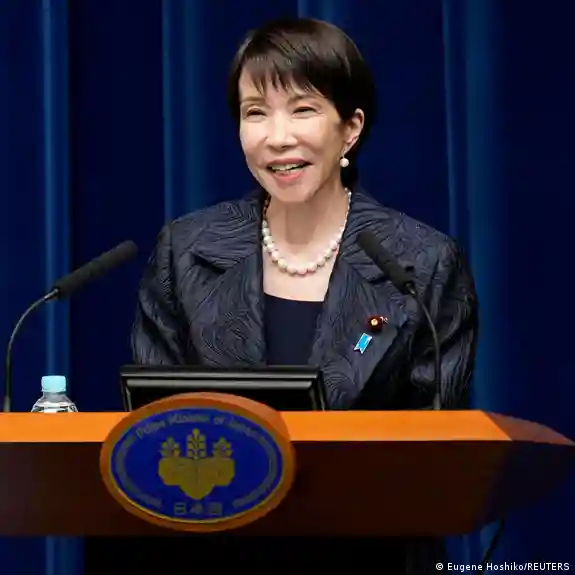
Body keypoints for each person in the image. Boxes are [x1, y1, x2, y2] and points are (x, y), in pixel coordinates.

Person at [125, 17, 478, 574]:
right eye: (255, 112)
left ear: (351, 128)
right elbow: (151, 426)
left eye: (303, 109)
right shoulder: (187, 250)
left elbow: (436, 453)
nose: (278, 137)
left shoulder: (422, 261)